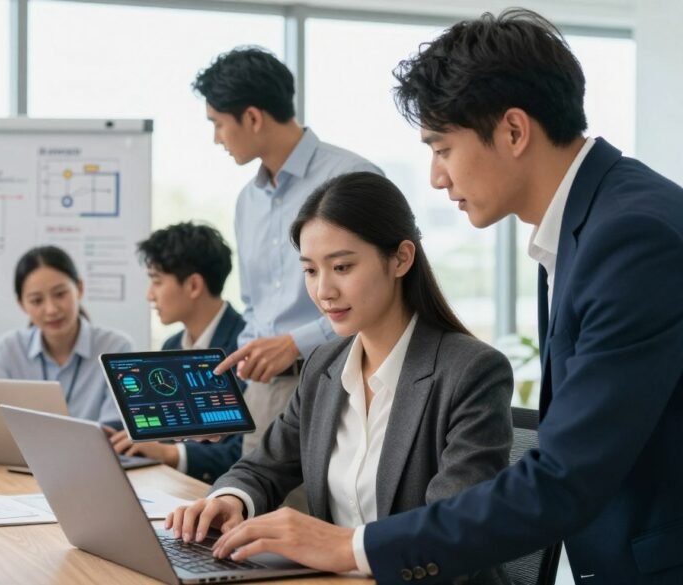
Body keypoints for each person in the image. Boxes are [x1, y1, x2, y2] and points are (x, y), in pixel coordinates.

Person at [210, 10, 683, 584]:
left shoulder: (631, 236)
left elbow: (565, 475)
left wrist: (352, 548)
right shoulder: (587, 225)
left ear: (513, 131)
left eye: (442, 148)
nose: (436, 177)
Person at [167, 172, 513, 585]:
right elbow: (264, 467)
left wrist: (345, 546)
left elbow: (457, 532)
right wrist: (229, 499)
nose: (324, 290)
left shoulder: (471, 372)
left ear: (401, 259)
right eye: (311, 271)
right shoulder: (324, 367)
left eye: (342, 266)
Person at [193, 47, 383, 455]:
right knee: (252, 512)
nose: (215, 139)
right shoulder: (248, 201)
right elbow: (254, 311)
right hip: (264, 394)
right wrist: (227, 402)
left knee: (324, 517)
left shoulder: (351, 177)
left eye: (218, 124)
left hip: (341, 379)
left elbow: (382, 293)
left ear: (253, 117)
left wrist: (295, 344)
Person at [109, 222, 247, 483]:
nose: (150, 295)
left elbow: (243, 452)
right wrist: (114, 434)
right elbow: (161, 422)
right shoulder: (172, 346)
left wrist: (168, 453)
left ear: (194, 285)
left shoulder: (246, 348)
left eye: (157, 281)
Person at [0, 246, 132, 425]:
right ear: (21, 304)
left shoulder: (116, 349)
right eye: (36, 300)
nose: (51, 309)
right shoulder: (9, 349)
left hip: (92, 453)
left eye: (60, 294)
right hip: (20, 453)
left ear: (79, 289)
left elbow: (116, 429)